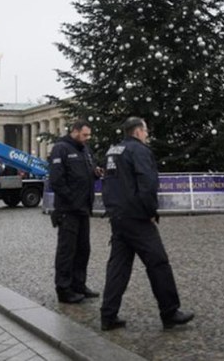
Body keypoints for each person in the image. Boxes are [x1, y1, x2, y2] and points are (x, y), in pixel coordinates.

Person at [100, 117, 194, 331]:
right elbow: (148, 184)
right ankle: (170, 312)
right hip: (137, 217)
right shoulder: (139, 151)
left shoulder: (113, 151)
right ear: (137, 132)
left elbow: (108, 183)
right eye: (146, 131)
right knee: (158, 263)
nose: (147, 134)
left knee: (118, 267)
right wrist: (150, 211)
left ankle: (108, 314)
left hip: (118, 216)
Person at [49, 120, 101, 304]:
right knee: (66, 251)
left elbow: (87, 171)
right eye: (85, 135)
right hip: (68, 210)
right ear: (75, 131)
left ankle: (79, 285)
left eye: (89, 135)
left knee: (83, 250)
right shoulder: (61, 149)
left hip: (83, 209)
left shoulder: (84, 150)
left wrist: (95, 173)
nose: (87, 138)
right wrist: (70, 198)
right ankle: (64, 289)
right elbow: (56, 179)